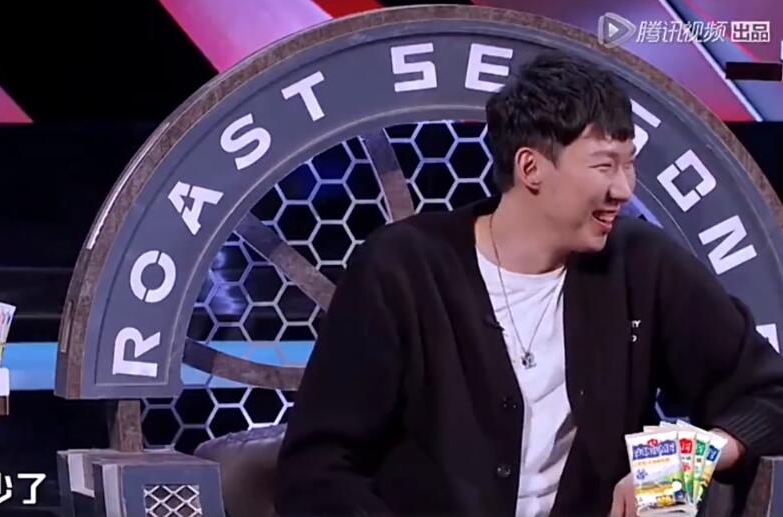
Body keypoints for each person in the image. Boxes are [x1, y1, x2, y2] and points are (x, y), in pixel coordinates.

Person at [274, 52, 783, 516]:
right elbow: (316, 470)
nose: (624, 189)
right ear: (531, 168)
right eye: (605, 165)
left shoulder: (643, 264)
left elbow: (770, 394)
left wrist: (690, 457)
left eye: (629, 164)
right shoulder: (401, 269)